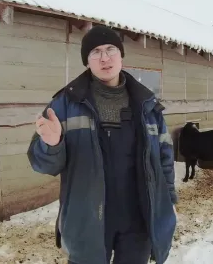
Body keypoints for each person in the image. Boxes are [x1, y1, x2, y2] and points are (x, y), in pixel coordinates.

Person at [27, 25, 178, 264]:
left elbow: (164, 157)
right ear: (86, 61)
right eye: (95, 52)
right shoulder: (65, 104)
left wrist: (167, 201)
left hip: (139, 217)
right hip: (87, 219)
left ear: (121, 55)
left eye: (111, 49)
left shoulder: (147, 105)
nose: (105, 57)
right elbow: (42, 164)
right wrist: (52, 144)